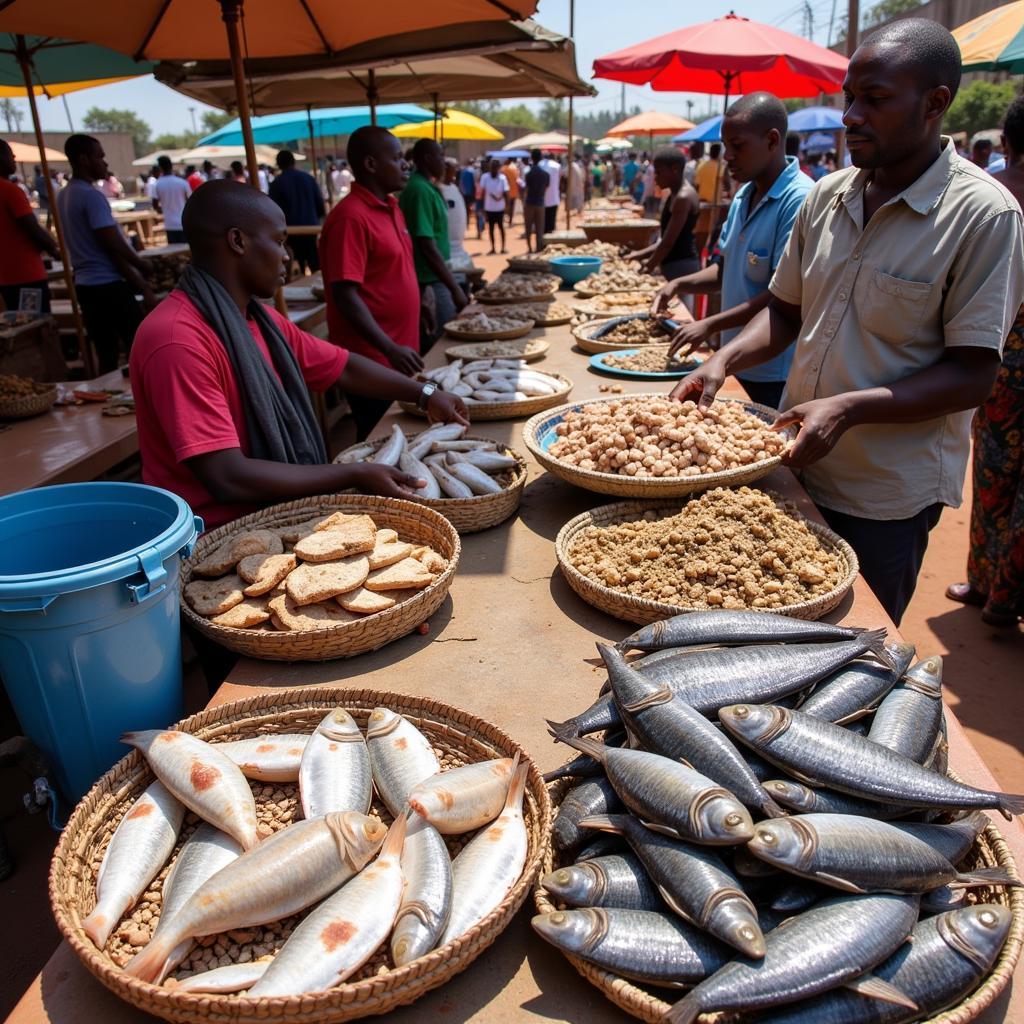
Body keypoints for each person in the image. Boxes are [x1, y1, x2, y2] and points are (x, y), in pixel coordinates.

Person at [670, 20, 1024, 625]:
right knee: (764, 623)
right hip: (788, 463)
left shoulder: (985, 217)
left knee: (847, 643)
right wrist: (723, 359)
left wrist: (847, 407)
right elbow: (783, 315)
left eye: (875, 100)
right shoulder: (828, 197)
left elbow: (972, 376)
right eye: (849, 98)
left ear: (936, 103)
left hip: (884, 494)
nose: (851, 116)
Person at [129, 180, 467, 534]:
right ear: (238, 241)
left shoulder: (258, 319)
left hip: (273, 514)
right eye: (278, 241)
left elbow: (344, 367)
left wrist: (426, 393)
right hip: (216, 536)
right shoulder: (177, 341)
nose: (287, 256)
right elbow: (227, 476)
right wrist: (354, 473)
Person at [653, 93, 812, 409]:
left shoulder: (801, 201)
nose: (727, 156)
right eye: (726, 146)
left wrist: (710, 323)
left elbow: (781, 298)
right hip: (731, 361)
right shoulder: (743, 196)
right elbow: (724, 269)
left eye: (737, 146)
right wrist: (679, 284)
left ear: (772, 140)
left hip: (772, 370)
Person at [947, 96, 1024, 627]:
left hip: (1002, 351)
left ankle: (985, 583)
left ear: (1005, 142)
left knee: (995, 472)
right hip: (1005, 348)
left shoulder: (994, 193)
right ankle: (1007, 593)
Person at [320, 127, 424, 439]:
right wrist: (389, 348)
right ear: (370, 164)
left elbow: (393, 269)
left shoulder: (392, 207)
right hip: (372, 359)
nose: (405, 164)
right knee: (380, 436)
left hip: (400, 349)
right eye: (396, 158)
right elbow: (344, 293)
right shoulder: (350, 217)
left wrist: (420, 305)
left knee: (404, 433)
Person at [56, 134, 158, 372]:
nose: (105, 163)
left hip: (85, 285)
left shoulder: (64, 195)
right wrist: (141, 270)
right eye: (100, 157)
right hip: (107, 284)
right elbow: (111, 245)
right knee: (139, 347)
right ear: (83, 159)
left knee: (107, 352)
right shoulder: (91, 196)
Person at [398, 139, 469, 349]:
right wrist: (454, 288)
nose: (444, 162)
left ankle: (435, 382)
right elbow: (426, 244)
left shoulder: (428, 187)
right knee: (442, 344)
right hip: (429, 279)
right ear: (428, 158)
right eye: (440, 156)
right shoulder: (419, 190)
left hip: (436, 276)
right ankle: (431, 384)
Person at [627, 147, 699, 296]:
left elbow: (668, 243)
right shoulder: (674, 194)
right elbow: (663, 242)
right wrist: (637, 255)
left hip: (681, 266)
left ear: (675, 169)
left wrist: (648, 266)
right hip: (674, 265)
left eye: (659, 172)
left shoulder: (683, 197)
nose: (655, 178)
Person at [0, 141, 59, 313]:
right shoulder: (10, 191)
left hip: (6, 278)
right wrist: (54, 249)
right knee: (36, 328)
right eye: (11, 155)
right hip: (25, 275)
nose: (14, 159)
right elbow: (32, 228)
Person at [268, 148, 324, 275]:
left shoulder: (277, 183)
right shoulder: (308, 179)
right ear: (294, 162)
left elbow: (272, 211)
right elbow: (320, 205)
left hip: (290, 230)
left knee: (294, 264)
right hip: (311, 228)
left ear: (279, 164)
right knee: (314, 264)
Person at [439, 157, 471, 274]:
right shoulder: (438, 190)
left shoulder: (454, 188)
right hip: (447, 249)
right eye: (453, 169)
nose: (455, 172)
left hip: (459, 247)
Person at [153, 154, 191, 244]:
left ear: (160, 168)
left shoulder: (157, 184)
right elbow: (190, 201)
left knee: (174, 255)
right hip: (183, 223)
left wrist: (164, 209)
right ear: (171, 166)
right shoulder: (182, 183)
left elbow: (155, 204)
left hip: (170, 224)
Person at [479, 157, 509, 254]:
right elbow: (482, 192)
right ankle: (493, 248)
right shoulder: (485, 177)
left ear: (498, 168)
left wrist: (507, 206)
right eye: (492, 167)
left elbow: (506, 192)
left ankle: (503, 248)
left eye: (495, 167)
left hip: (500, 208)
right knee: (491, 228)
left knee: (501, 227)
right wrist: (482, 207)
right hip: (489, 207)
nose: (494, 169)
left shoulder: (502, 178)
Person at [523, 148, 549, 253]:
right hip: (540, 203)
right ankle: (538, 248)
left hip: (530, 202)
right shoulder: (545, 174)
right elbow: (546, 187)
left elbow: (527, 189)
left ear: (532, 158)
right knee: (539, 228)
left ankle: (529, 248)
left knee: (528, 227)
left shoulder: (529, 173)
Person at [541, 152, 562, 234]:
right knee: (551, 221)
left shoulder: (540, 165)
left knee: (544, 222)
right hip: (554, 197)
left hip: (543, 199)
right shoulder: (557, 166)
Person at [501, 157, 520, 227]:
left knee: (504, 207)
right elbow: (517, 180)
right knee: (511, 207)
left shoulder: (503, 169)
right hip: (513, 191)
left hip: (505, 192)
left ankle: (502, 220)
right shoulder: (515, 169)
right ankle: (510, 222)